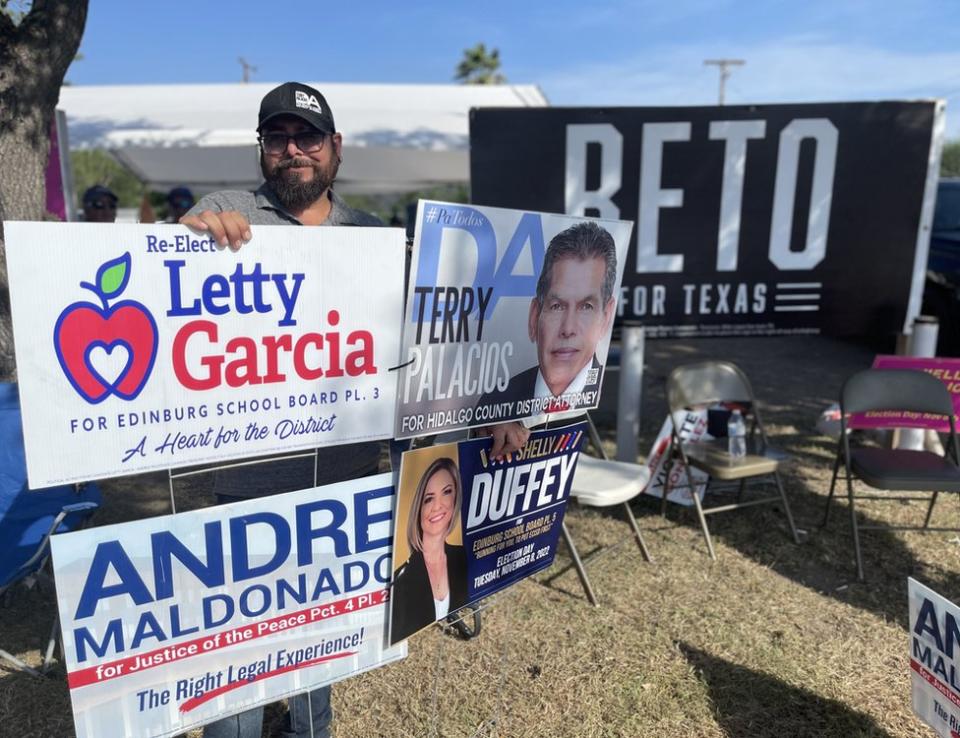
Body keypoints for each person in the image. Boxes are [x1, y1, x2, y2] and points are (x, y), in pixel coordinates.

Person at [181, 81, 528, 738]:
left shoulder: (373, 237)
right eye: (277, 137)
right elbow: (163, 276)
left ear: (334, 148)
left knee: (316, 672)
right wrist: (185, 244)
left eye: (307, 136)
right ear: (262, 149)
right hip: (246, 495)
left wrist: (493, 406)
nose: (293, 150)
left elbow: (430, 344)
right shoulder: (227, 213)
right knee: (234, 697)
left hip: (343, 500)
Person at [478, 221, 617, 414]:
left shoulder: (616, 401)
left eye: (586, 307)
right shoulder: (493, 402)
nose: (568, 329)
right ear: (534, 317)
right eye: (557, 306)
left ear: (606, 316)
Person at [390, 457, 468, 644]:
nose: (438, 506)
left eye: (447, 492)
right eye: (428, 498)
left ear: (456, 498)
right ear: (418, 507)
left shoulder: (463, 557)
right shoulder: (401, 580)